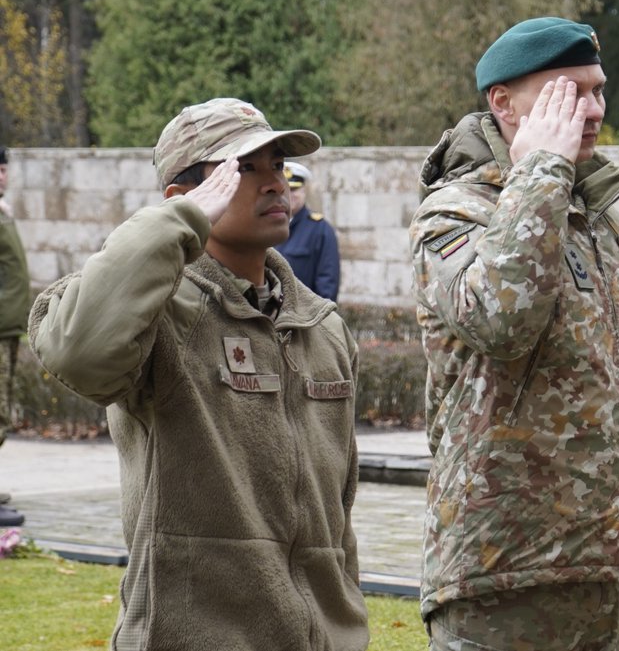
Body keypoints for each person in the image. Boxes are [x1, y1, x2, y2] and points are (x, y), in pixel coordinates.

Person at [27, 98, 369, 651]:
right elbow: (79, 353)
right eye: (243, 168)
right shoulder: (159, 314)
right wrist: (170, 228)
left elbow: (338, 516)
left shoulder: (321, 328)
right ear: (182, 200)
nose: (274, 184)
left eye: (277, 165)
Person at [409, 17, 619, 651]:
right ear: (503, 102)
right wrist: (542, 168)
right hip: (500, 572)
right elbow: (500, 319)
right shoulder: (457, 212)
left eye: (599, 90)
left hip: (592, 567)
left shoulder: (602, 221)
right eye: (569, 92)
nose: (594, 109)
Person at [0, 145, 31, 528]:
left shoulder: (4, 213)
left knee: (3, 413)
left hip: (7, 329)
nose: (2, 176)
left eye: (4, 169)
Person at [276, 160, 341, 300]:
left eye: (294, 190)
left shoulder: (321, 230)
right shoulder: (265, 226)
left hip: (304, 318)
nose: (289, 195)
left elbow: (327, 284)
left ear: (304, 191)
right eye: (284, 190)